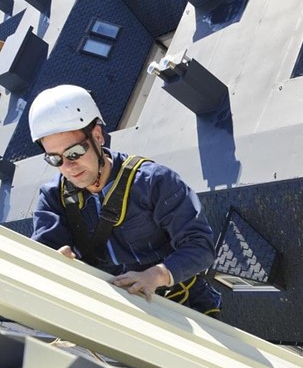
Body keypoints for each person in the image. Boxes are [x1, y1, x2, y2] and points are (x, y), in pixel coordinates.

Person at [28, 84, 221, 316]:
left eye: (74, 153)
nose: (68, 167)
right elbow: (42, 252)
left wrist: (155, 275)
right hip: (119, 313)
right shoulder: (53, 198)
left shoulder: (153, 182)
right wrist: (53, 261)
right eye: (55, 159)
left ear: (97, 136)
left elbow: (200, 246)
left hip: (183, 306)